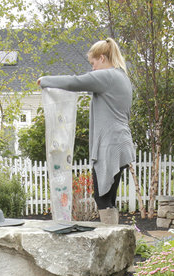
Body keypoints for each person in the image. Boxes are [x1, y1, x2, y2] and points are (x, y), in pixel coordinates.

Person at [38, 38, 136, 225]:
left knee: (102, 198)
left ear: (102, 58)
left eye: (93, 64)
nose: (92, 69)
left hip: (111, 144)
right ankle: (113, 239)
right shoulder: (122, 77)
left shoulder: (108, 76)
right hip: (121, 142)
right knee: (108, 198)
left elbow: (76, 82)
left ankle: (109, 241)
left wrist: (45, 81)